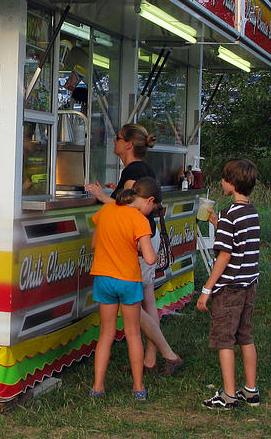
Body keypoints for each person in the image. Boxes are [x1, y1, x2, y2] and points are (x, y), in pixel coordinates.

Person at [197, 158, 261, 409]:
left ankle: (228, 395)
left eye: (224, 179)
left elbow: (224, 255)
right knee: (245, 336)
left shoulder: (229, 215)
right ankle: (251, 391)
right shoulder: (251, 212)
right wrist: (217, 224)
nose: (222, 182)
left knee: (225, 339)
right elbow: (239, 240)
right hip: (249, 284)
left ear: (231, 184)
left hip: (229, 288)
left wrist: (206, 289)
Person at [89, 188, 157, 400]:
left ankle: (97, 388)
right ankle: (138, 388)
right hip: (128, 279)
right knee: (133, 333)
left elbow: (93, 244)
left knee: (106, 334)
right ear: (146, 201)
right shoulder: (139, 220)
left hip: (103, 277)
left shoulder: (106, 211)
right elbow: (150, 258)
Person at [132, 177, 184, 376]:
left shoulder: (140, 216)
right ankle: (150, 359)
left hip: (142, 260)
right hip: (148, 256)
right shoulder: (147, 216)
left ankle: (168, 354)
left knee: (132, 308)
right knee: (149, 301)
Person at [85, 123, 157, 203]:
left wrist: (102, 196)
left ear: (129, 144)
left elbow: (129, 208)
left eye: (118, 138)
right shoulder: (143, 168)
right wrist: (119, 190)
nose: (114, 140)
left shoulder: (134, 170)